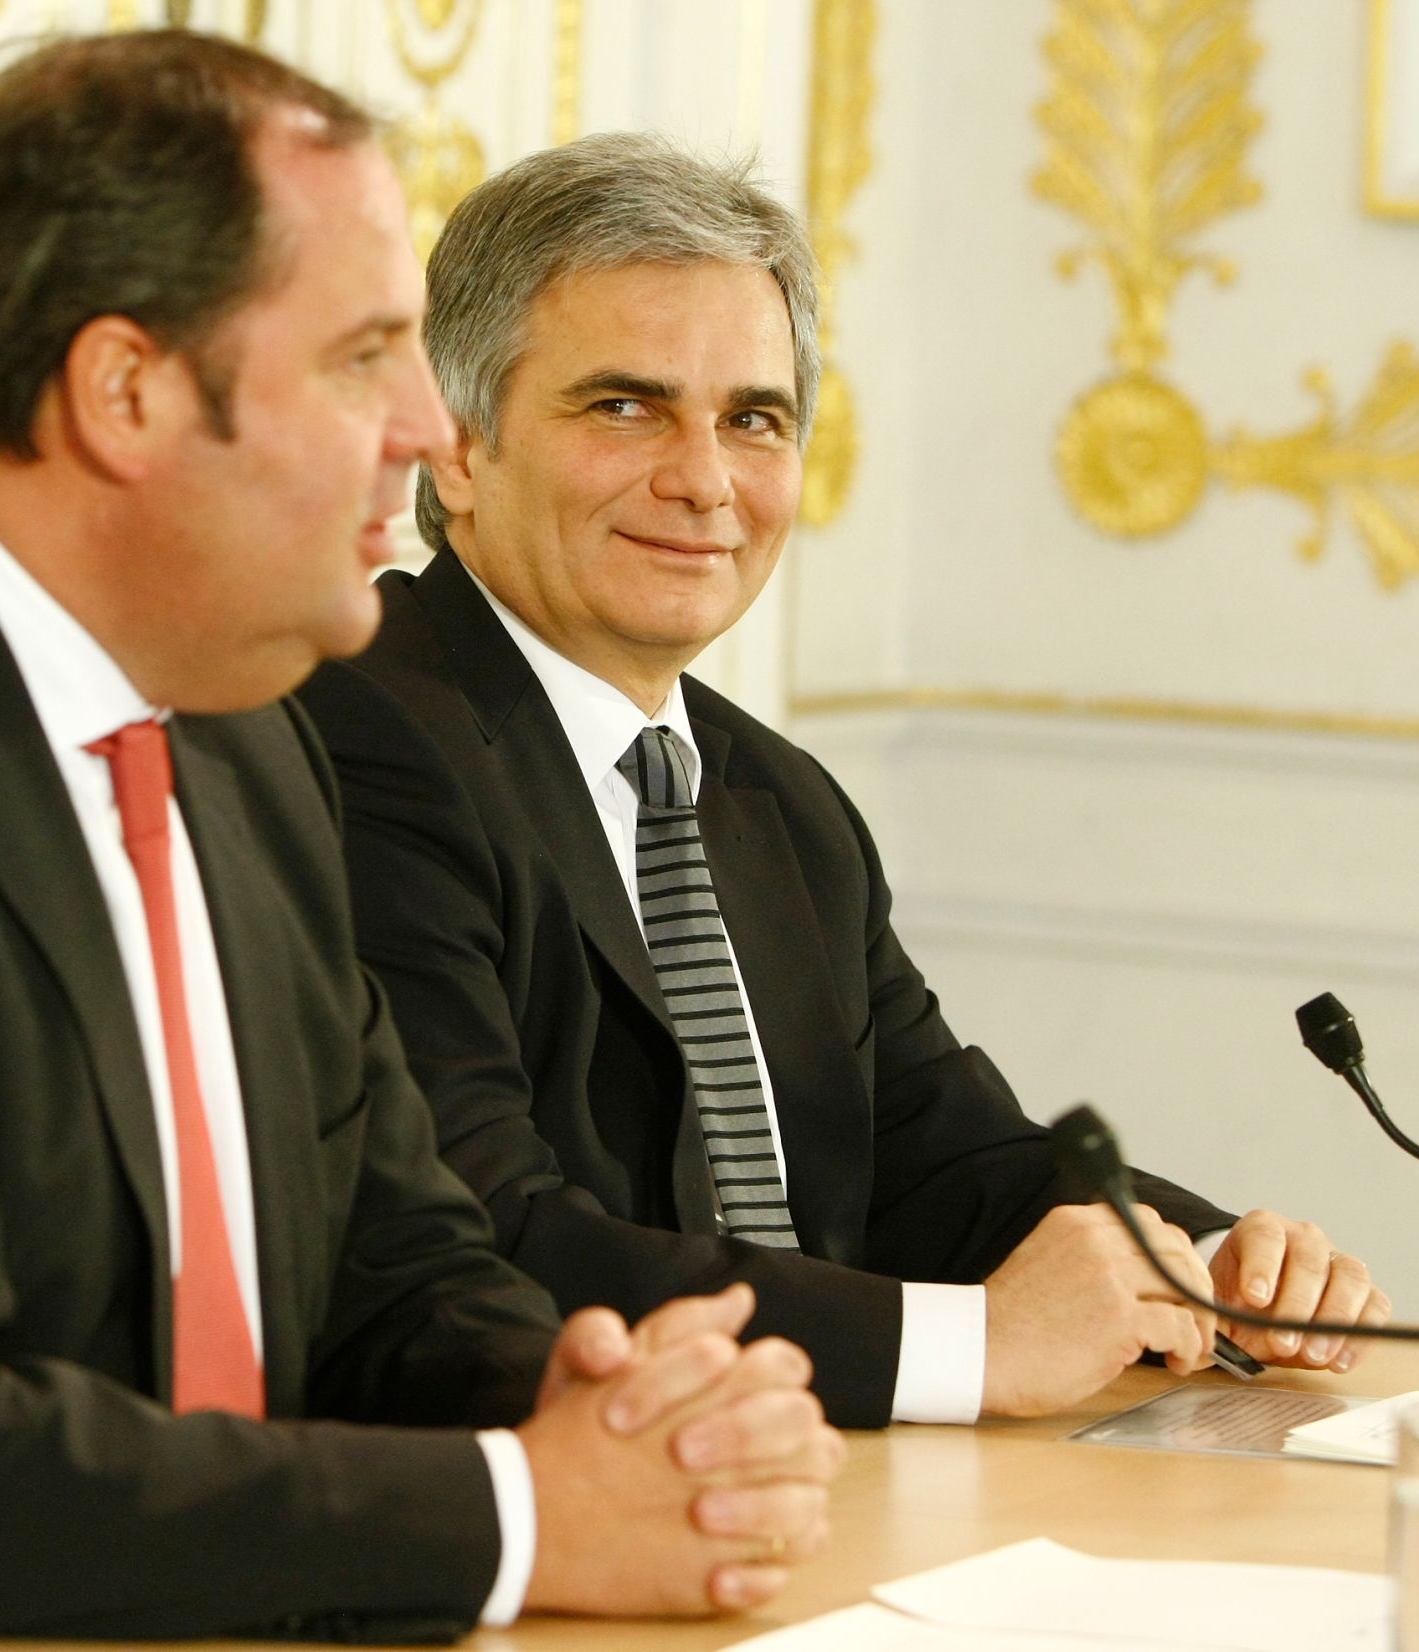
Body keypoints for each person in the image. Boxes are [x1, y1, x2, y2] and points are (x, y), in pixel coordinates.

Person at [0, 41, 843, 1652]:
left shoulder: (246, 725)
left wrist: (595, 1405)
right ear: (126, 393)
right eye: (363, 358)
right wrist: (522, 1511)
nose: (425, 425)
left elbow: (394, 1257)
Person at [295, 132, 1392, 1432]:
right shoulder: (360, 738)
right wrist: (974, 1346)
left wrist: (1201, 1268)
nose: (704, 480)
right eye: (624, 407)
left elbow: (939, 1161)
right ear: (459, 450)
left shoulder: (779, 799)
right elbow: (484, 1238)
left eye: (753, 420)